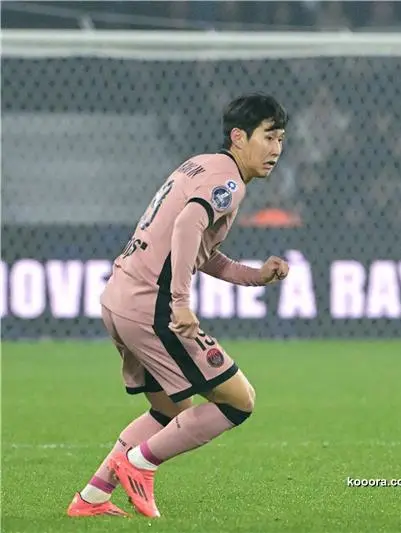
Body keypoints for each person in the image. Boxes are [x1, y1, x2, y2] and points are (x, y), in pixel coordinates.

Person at [66, 94, 290, 518]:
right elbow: (189, 224)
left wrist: (255, 275)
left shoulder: (201, 164)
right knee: (238, 401)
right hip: (152, 308)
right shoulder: (229, 181)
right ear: (239, 137)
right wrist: (181, 303)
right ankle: (139, 464)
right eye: (268, 137)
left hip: (120, 297)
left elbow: (200, 250)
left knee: (169, 410)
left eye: (281, 139)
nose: (276, 148)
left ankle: (93, 496)